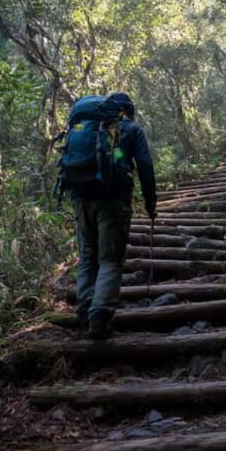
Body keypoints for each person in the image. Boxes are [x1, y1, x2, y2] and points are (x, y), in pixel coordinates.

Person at [67, 92, 157, 339]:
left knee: (87, 257)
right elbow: (145, 165)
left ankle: (84, 312)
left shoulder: (85, 127)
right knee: (110, 259)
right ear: (128, 109)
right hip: (113, 200)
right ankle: (100, 318)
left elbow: (113, 156)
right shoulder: (131, 130)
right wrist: (151, 201)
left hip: (80, 196)